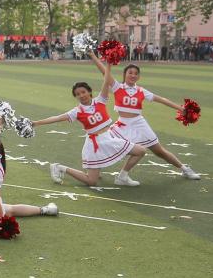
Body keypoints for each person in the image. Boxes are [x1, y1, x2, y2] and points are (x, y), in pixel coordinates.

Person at [31, 56, 148, 187]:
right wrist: (36, 123)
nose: (81, 95)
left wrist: (109, 64)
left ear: (89, 92)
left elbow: (106, 80)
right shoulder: (77, 111)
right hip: (95, 144)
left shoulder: (100, 100)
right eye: (78, 94)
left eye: (83, 92)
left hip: (109, 138)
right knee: (92, 181)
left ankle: (123, 177)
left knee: (140, 151)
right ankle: (59, 167)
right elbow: (57, 118)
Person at [89, 57, 200, 180]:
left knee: (159, 151)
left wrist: (180, 108)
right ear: (125, 74)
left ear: (139, 77)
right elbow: (104, 72)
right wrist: (92, 56)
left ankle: (185, 169)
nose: (133, 75)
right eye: (130, 72)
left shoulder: (141, 91)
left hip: (139, 124)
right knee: (105, 145)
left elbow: (161, 99)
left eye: (136, 73)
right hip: (122, 125)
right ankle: (99, 171)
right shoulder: (117, 87)